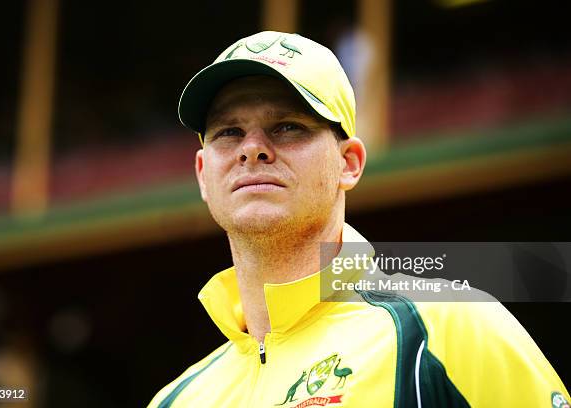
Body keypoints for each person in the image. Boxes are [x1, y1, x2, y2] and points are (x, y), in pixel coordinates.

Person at [147, 31, 569, 407]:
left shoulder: (445, 328)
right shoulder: (175, 400)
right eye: (228, 132)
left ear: (349, 163)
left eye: (288, 127)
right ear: (204, 174)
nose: (251, 148)